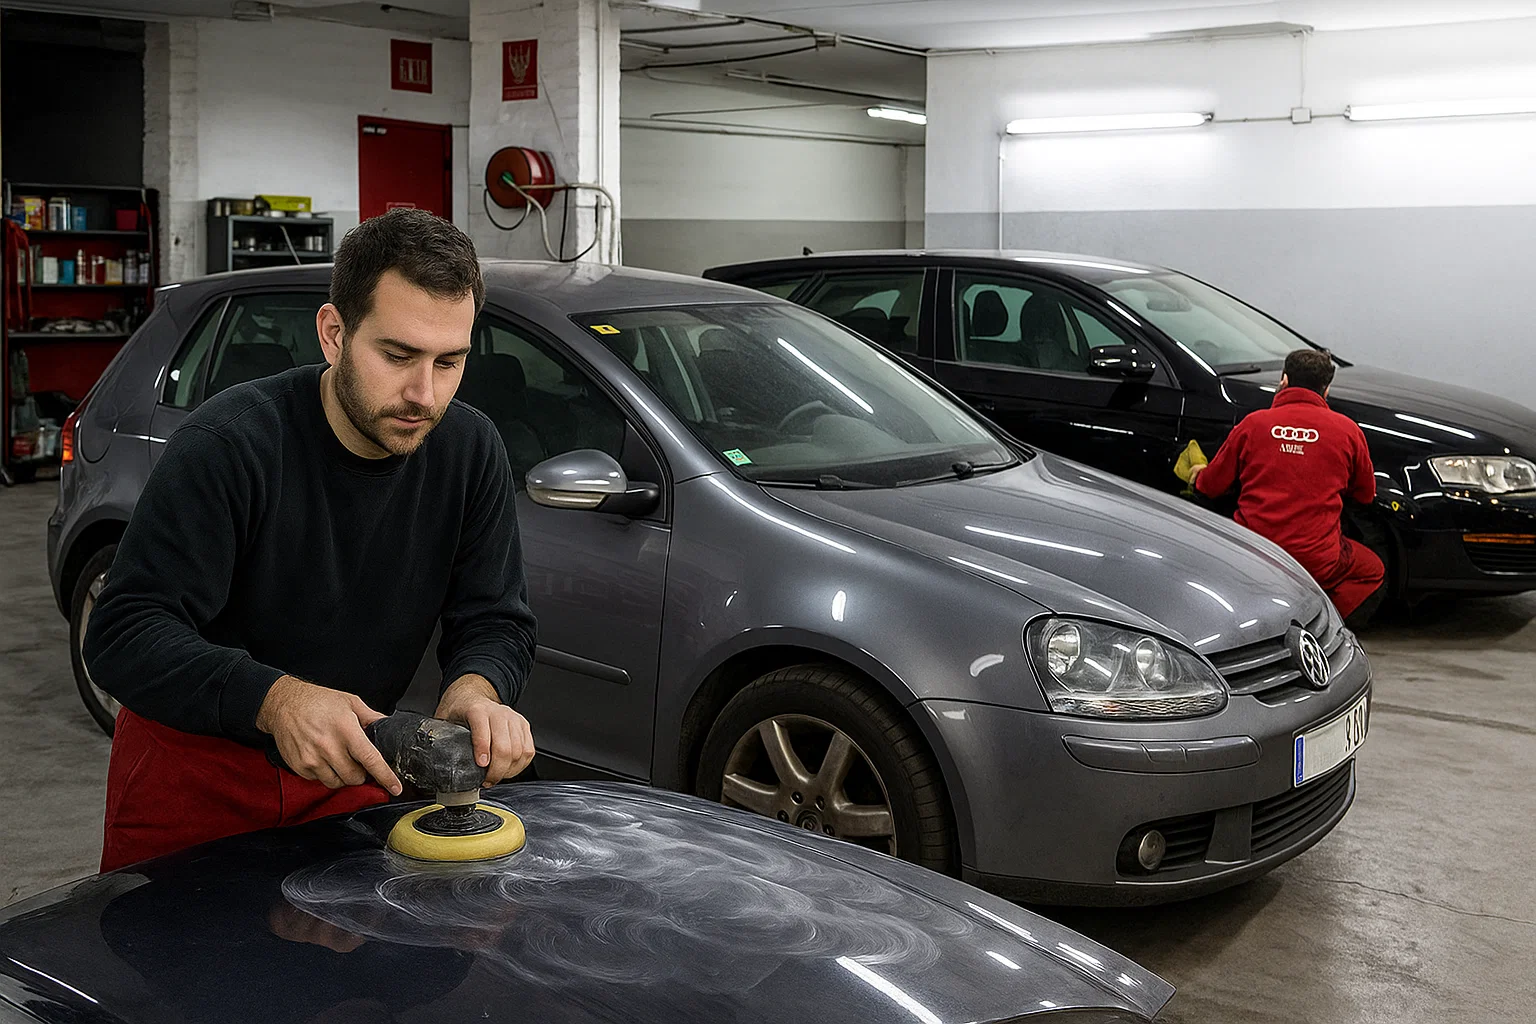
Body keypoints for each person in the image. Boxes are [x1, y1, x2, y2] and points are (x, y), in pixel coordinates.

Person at [84, 209, 539, 872]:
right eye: (398, 356)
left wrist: (478, 689)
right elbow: (122, 632)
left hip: (349, 774)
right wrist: (273, 699)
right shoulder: (229, 445)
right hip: (194, 781)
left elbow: (495, 617)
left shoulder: (471, 451)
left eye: (449, 362)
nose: (424, 394)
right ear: (333, 334)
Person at [1188, 348, 1384, 620]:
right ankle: (1319, 624)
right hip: (1317, 562)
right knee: (1372, 570)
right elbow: (1365, 494)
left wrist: (1198, 473)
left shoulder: (1253, 424)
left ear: (1284, 380)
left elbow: (1210, 486)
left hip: (1254, 553)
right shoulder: (1348, 430)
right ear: (1326, 389)